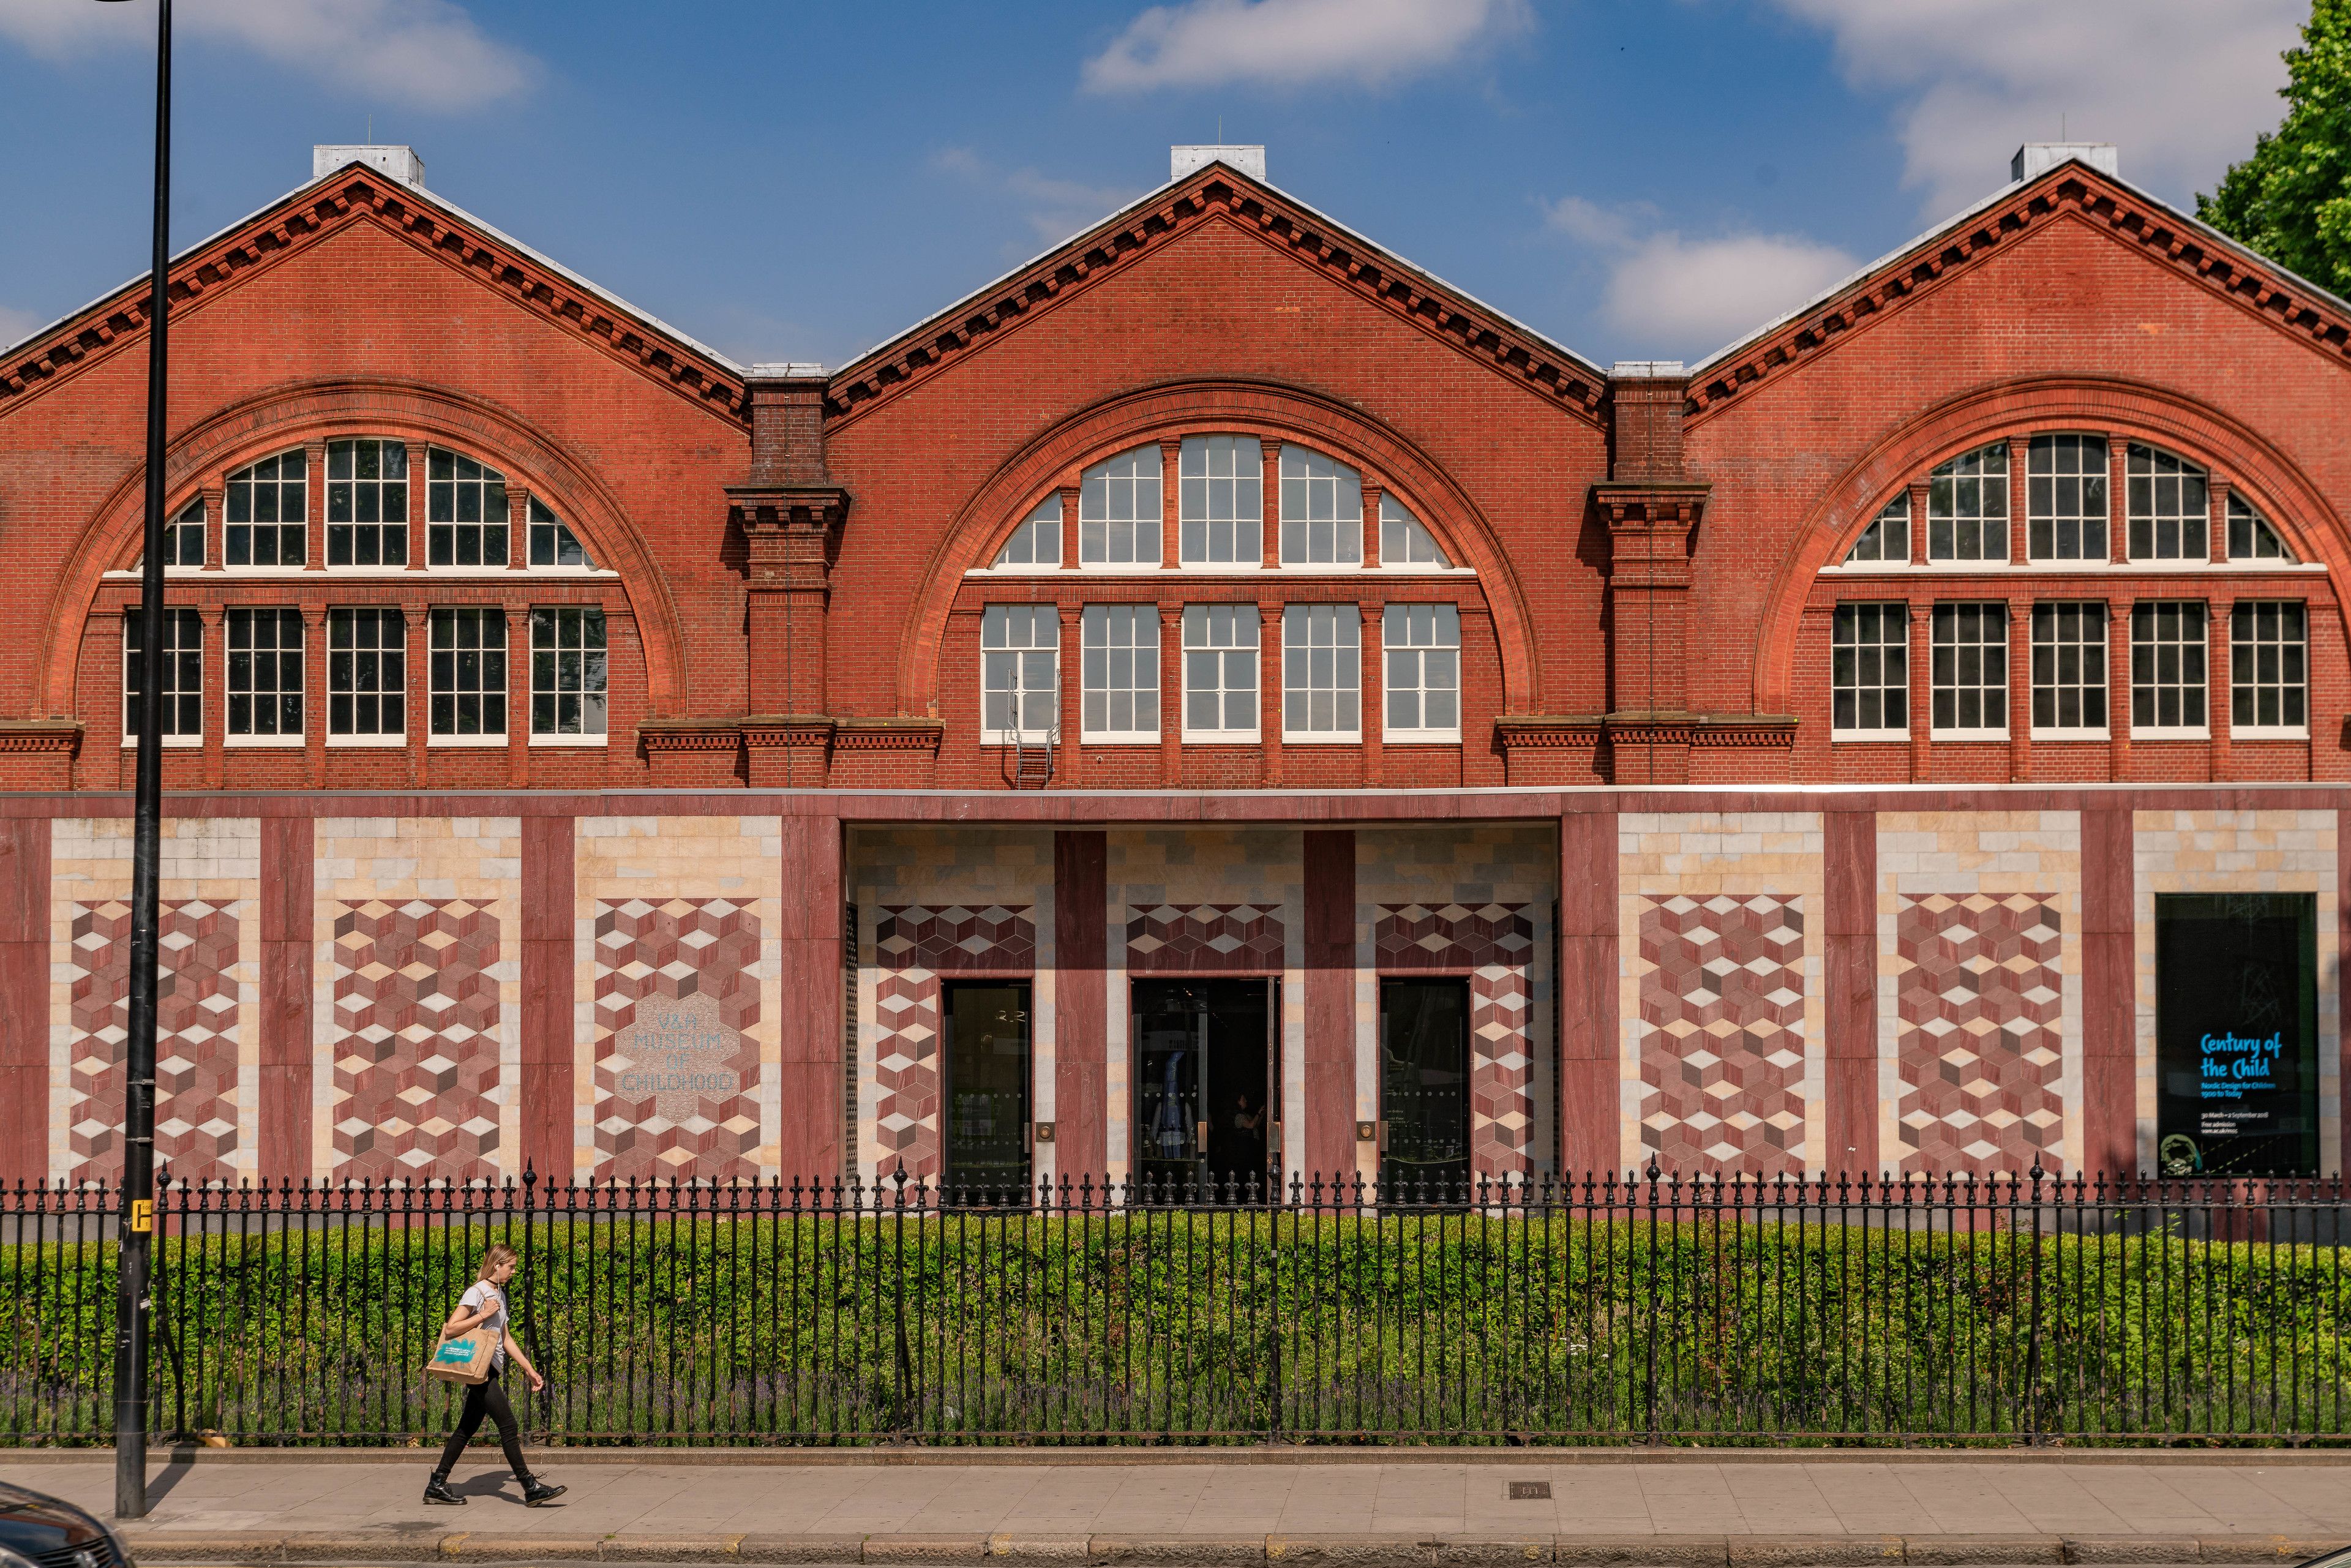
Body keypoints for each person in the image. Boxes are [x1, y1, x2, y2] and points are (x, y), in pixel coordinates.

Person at [424, 1244, 565, 1507]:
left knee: (466, 1429)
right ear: (496, 1265)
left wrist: (529, 1369)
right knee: (508, 1426)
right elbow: (452, 1328)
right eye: (510, 1267)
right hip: (480, 1369)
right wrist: (483, 1315)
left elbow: (506, 1338)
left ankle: (437, 1484)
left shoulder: (499, 1293)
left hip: (490, 1368)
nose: (513, 1272)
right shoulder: (476, 1293)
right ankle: (530, 1486)